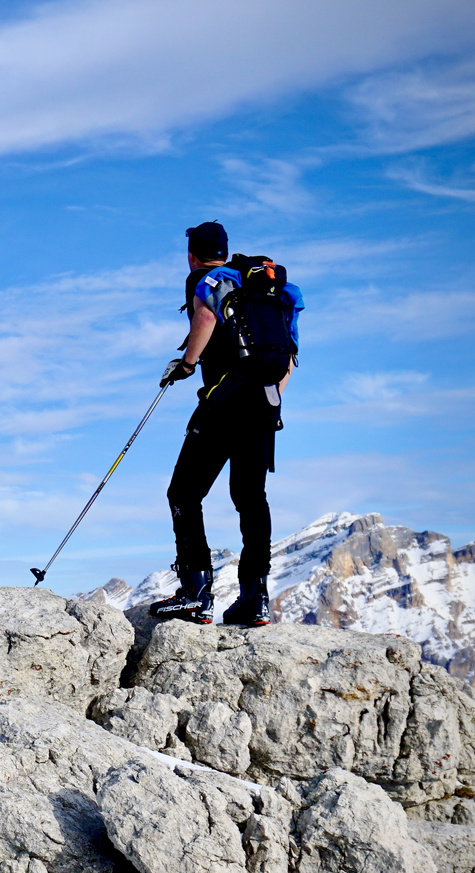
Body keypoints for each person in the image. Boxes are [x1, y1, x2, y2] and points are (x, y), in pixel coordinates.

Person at [149, 221, 302, 626]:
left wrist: (186, 363)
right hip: (265, 406)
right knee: (250, 498)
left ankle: (196, 593)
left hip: (224, 403)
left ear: (192, 254)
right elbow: (289, 357)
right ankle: (255, 598)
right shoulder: (267, 291)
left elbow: (204, 318)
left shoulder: (207, 279)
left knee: (183, 492)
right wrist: (269, 399)